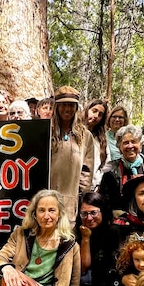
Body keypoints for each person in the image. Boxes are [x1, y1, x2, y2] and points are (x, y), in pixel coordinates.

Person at [50, 86, 95, 222]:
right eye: (63, 105)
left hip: (71, 201)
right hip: (45, 199)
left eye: (71, 105)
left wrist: (82, 197)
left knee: (67, 240)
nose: (67, 109)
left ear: (76, 107)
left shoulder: (85, 136)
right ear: (57, 107)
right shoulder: (47, 131)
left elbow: (87, 171)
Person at [98, 124, 144, 212]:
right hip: (120, 218)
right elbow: (104, 199)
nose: (130, 146)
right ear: (119, 146)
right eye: (126, 143)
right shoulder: (111, 170)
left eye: (134, 142)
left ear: (140, 144)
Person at [76, 191, 116, 286]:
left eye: (93, 213)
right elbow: (83, 267)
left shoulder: (113, 231)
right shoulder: (78, 231)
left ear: (102, 211)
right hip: (88, 279)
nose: (88, 218)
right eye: (84, 214)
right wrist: (85, 239)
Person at [84, 99, 109, 187]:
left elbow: (106, 165)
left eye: (100, 114)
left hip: (93, 186)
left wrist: (98, 184)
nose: (96, 116)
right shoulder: (75, 133)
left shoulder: (102, 139)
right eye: (94, 111)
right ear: (87, 109)